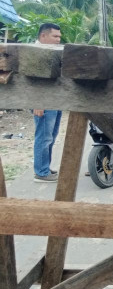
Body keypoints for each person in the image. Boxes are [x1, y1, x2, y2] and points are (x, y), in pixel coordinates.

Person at [32, 23, 63, 183]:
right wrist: (37, 102)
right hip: (43, 102)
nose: (58, 39)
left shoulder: (50, 52)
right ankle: (41, 172)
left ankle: (45, 167)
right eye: (55, 36)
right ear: (43, 36)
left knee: (50, 136)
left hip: (54, 100)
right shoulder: (34, 53)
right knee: (43, 137)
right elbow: (30, 81)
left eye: (59, 37)